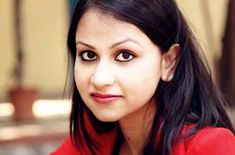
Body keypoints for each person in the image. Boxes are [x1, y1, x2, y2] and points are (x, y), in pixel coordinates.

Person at [51, 0, 235, 154]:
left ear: (169, 62)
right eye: (89, 55)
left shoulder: (211, 147)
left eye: (125, 55)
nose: (99, 79)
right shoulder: (90, 141)